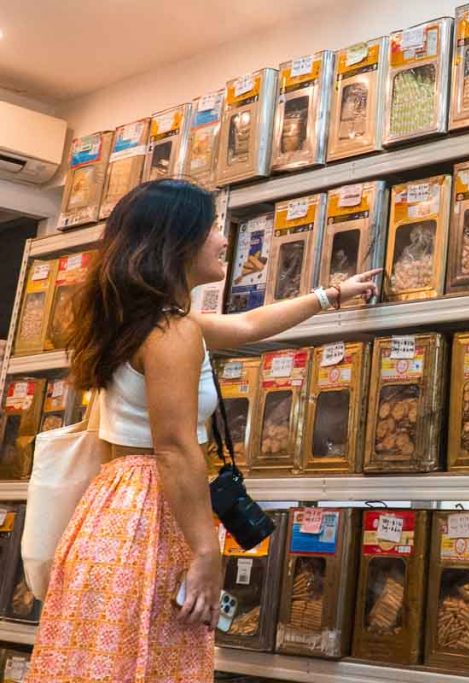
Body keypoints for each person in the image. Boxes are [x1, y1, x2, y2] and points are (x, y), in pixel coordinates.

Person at [27, 178, 379, 682]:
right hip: (153, 511)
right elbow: (173, 449)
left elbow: (248, 327)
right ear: (179, 240)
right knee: (151, 661)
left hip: (111, 511)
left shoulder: (139, 320)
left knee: (104, 661)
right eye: (213, 226)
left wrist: (330, 294)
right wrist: (206, 553)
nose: (223, 238)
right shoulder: (172, 332)